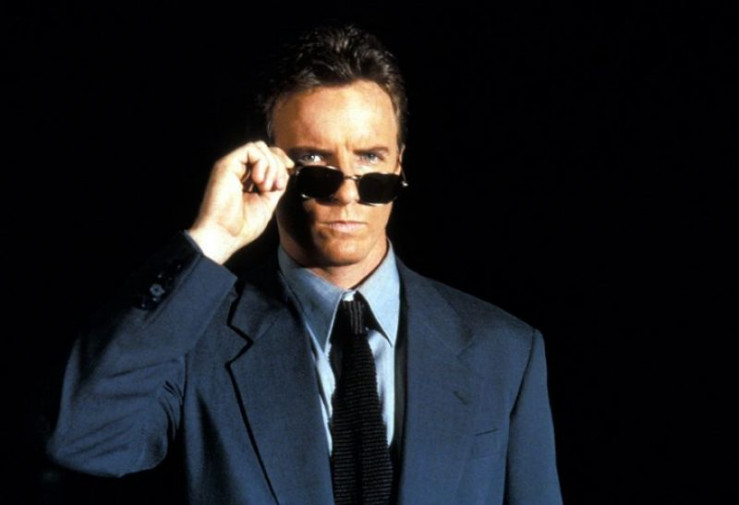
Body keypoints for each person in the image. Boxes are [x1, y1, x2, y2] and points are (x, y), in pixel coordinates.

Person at [45, 23, 563, 505]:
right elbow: (84, 439)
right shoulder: (194, 342)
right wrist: (211, 241)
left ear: (399, 164)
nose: (347, 193)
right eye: (315, 162)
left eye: (370, 159)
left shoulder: (505, 351)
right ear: (269, 162)